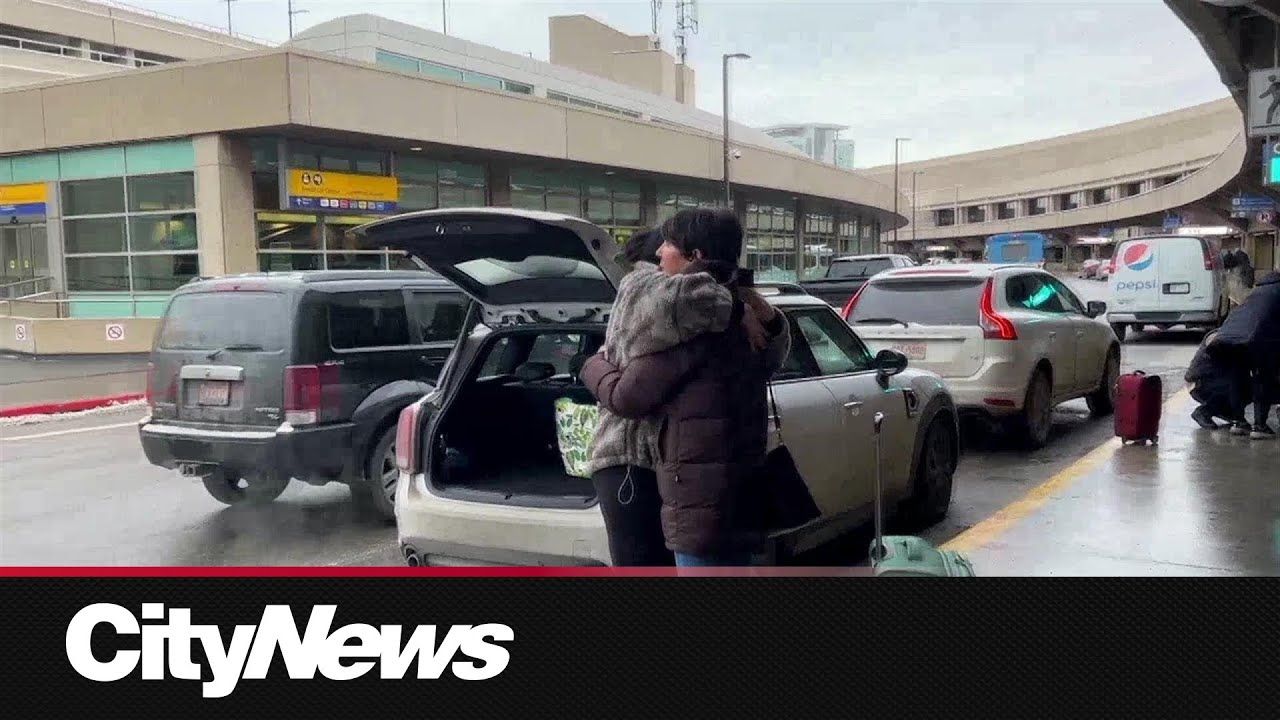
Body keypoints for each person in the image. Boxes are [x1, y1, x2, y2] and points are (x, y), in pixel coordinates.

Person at [582, 208, 791, 567]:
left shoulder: (692, 326)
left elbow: (625, 397)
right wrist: (744, 303)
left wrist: (590, 363)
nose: (661, 253)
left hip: (658, 475)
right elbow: (774, 351)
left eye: (668, 244)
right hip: (725, 493)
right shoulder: (747, 319)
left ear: (695, 257)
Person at [1209, 270, 1280, 439]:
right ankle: (1260, 427)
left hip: (1226, 338)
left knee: (1237, 377)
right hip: (1253, 338)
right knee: (1263, 377)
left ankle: (1238, 423)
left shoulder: (1257, 291)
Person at [1185, 330, 1244, 430]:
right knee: (1244, 383)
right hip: (1201, 383)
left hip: (1211, 380)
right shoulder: (1219, 336)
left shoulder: (1234, 332)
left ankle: (1226, 411)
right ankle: (1205, 411)